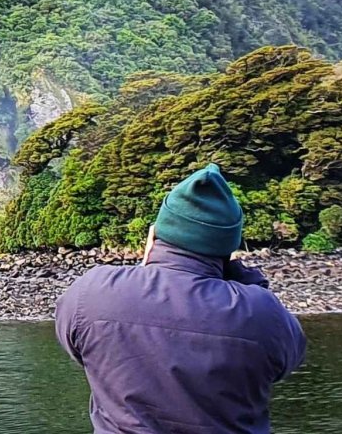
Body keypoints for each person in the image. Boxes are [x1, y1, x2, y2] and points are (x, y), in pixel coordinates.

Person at [55, 163, 306, 434]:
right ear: (228, 250)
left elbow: (79, 349)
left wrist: (144, 273)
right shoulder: (262, 312)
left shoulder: (92, 292)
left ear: (154, 234)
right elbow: (284, 362)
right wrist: (251, 284)